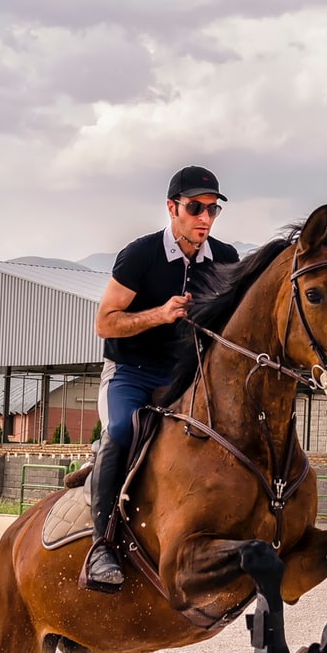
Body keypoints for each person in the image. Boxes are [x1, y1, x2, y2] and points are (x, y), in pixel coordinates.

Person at [80, 165, 239, 593]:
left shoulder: (225, 260)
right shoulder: (141, 255)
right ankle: (101, 546)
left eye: (212, 210)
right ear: (172, 208)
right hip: (129, 372)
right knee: (120, 429)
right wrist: (160, 315)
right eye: (195, 208)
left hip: (185, 377)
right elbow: (105, 324)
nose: (204, 218)